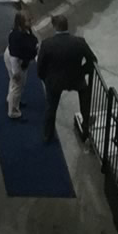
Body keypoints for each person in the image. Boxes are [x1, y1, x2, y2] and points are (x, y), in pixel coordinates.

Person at [36, 13, 97, 146]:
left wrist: (45, 78)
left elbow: (40, 66)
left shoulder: (47, 44)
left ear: (55, 27)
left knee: (51, 108)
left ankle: (47, 135)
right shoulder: (79, 42)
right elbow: (93, 61)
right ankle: (86, 125)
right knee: (85, 98)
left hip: (55, 81)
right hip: (76, 79)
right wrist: (81, 71)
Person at [4, 10, 38, 120]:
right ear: (21, 22)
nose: (31, 22)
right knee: (17, 84)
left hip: (17, 58)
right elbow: (14, 57)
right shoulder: (17, 36)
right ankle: (13, 111)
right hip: (16, 61)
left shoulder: (22, 31)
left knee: (15, 83)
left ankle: (11, 100)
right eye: (28, 20)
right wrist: (16, 72)